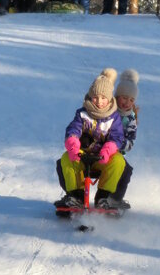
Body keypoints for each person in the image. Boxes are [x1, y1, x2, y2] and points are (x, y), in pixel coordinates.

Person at [55, 68, 132, 211]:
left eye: (103, 98)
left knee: (119, 162)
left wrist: (108, 150)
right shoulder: (83, 113)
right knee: (66, 159)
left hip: (103, 157)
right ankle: (75, 196)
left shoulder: (114, 117)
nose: (99, 101)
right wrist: (73, 143)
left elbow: (117, 136)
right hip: (83, 155)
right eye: (95, 97)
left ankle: (104, 197)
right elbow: (74, 129)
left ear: (109, 99)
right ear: (90, 97)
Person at [115, 68, 139, 154]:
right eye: (124, 98)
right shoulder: (109, 111)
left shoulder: (131, 119)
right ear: (117, 97)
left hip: (117, 154)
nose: (127, 103)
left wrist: (117, 142)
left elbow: (130, 144)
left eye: (131, 100)